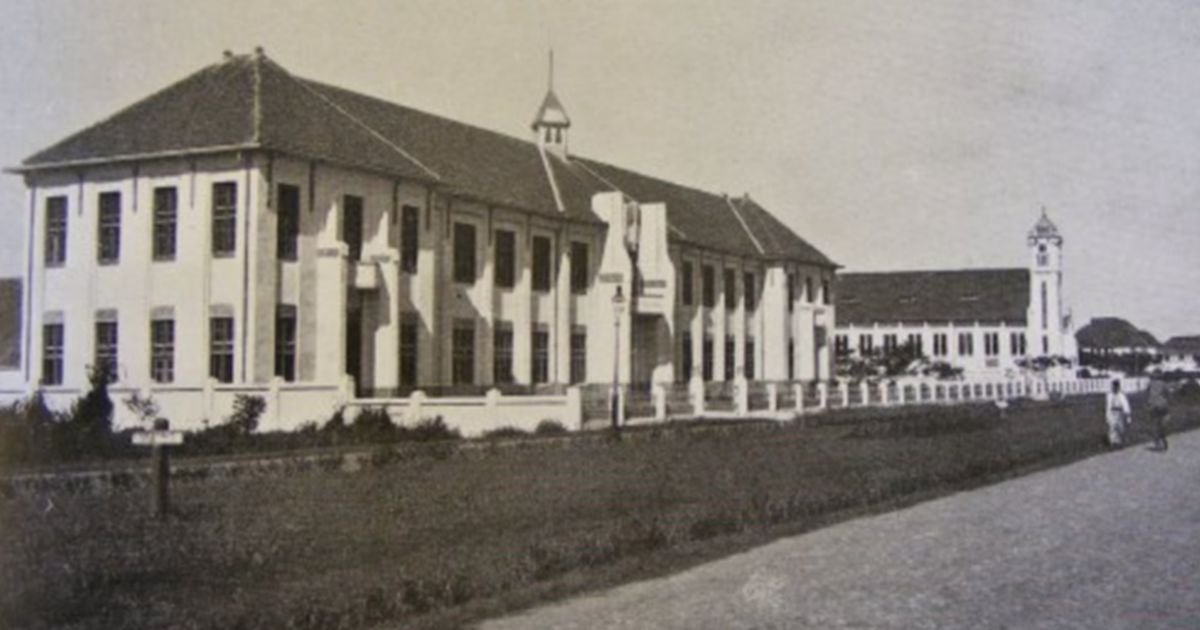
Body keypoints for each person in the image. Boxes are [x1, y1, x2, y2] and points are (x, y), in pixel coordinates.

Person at [1146, 374, 1170, 451]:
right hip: (1162, 406)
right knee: (1162, 424)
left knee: (1155, 424)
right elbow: (1168, 394)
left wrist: (1148, 403)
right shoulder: (1164, 384)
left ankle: (1158, 441)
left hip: (1153, 406)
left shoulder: (1150, 384)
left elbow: (1147, 394)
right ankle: (1162, 437)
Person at [1105, 379, 1131, 447]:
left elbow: (1125, 404)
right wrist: (1107, 415)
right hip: (1112, 412)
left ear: (1118, 387)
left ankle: (1120, 441)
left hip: (1120, 412)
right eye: (1113, 386)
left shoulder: (1121, 395)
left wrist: (1128, 415)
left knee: (1120, 427)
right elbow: (1108, 405)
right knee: (1112, 427)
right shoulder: (1109, 395)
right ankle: (1113, 442)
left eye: (1115, 387)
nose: (1114, 388)